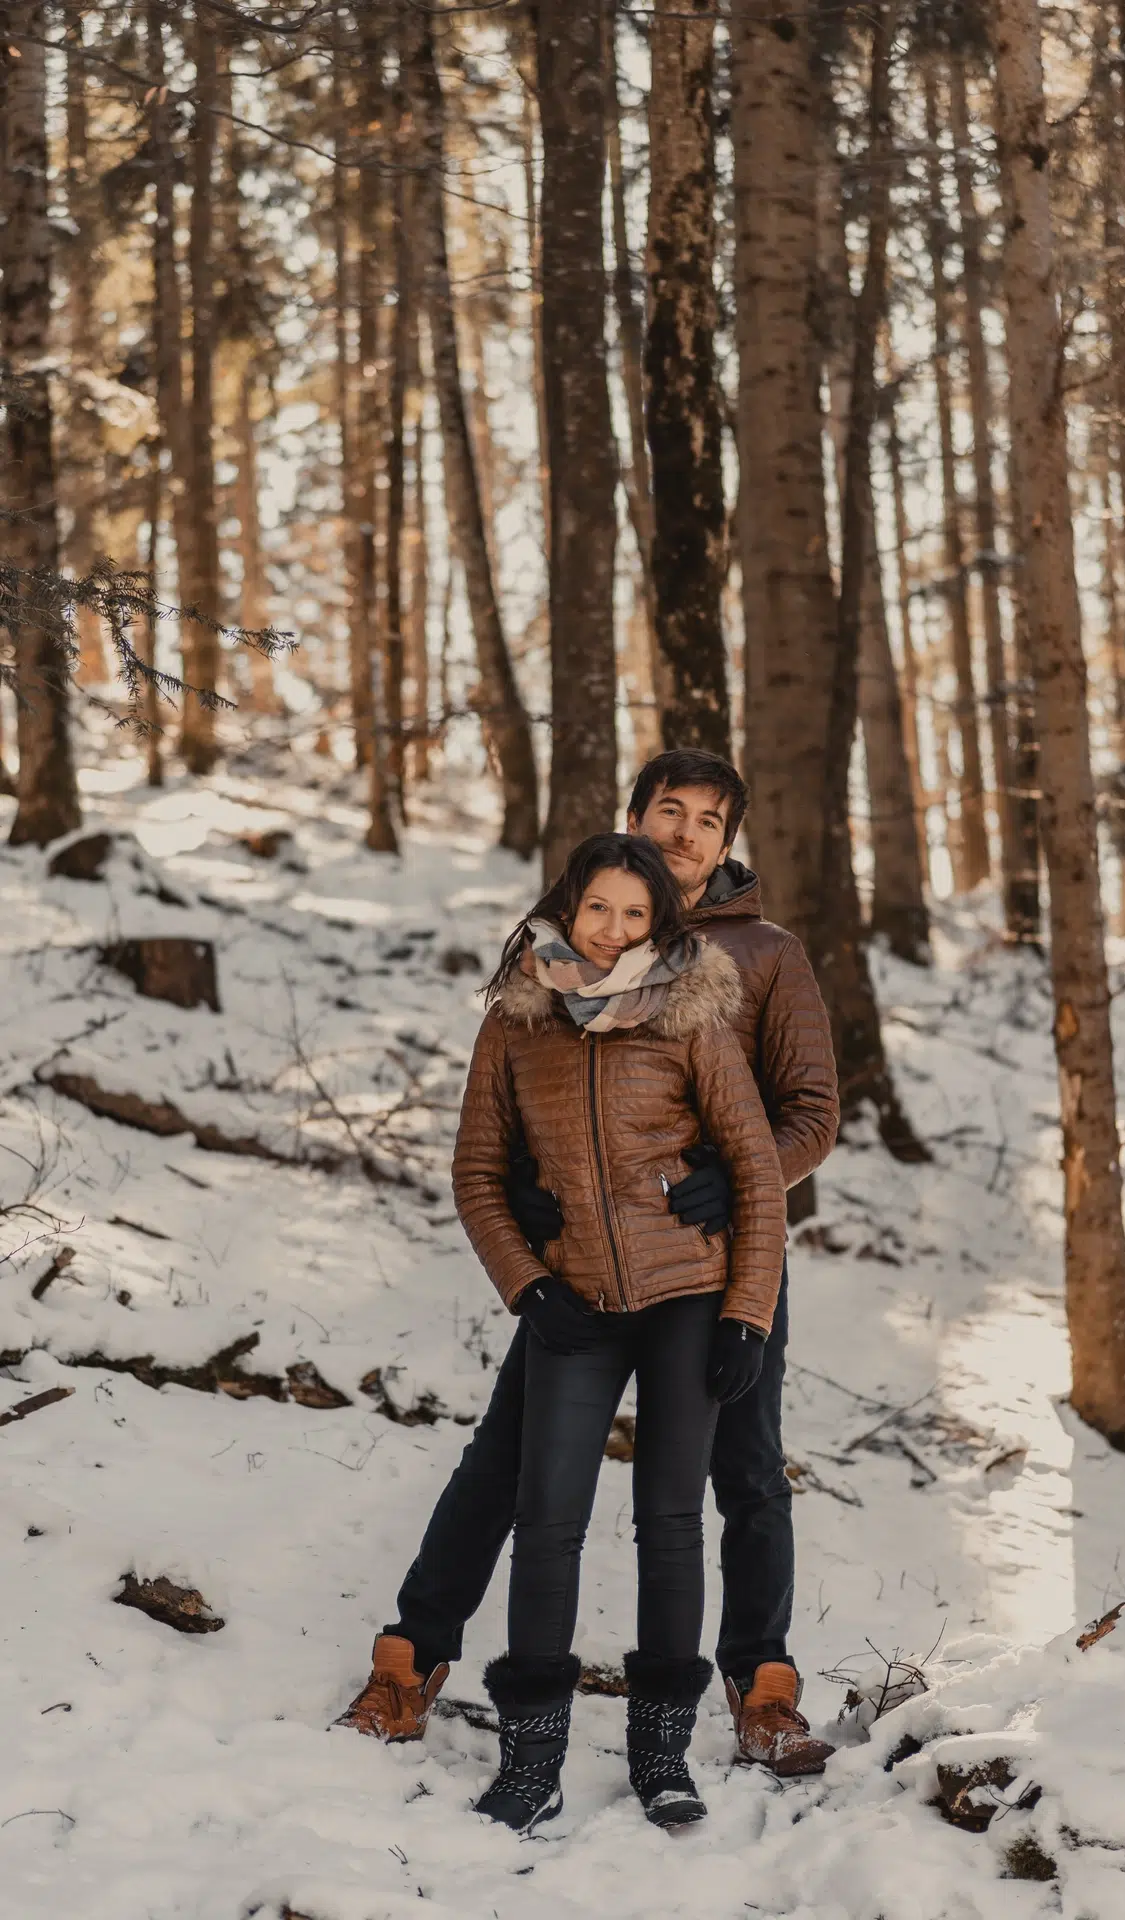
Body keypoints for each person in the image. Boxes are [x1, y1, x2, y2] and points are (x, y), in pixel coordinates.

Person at [337, 750, 840, 1777]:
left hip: (721, 1260)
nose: (686, 832)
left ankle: (764, 1688)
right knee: (503, 1464)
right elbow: (524, 1091)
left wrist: (739, 1183)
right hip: (585, 1263)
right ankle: (411, 1658)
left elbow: (810, 1112)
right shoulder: (570, 931)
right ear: (633, 816)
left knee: (743, 1469)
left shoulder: (767, 954)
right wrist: (528, 1190)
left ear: (728, 841)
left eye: (709, 819)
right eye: (670, 810)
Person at [450, 831, 786, 1831]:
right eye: (598, 908)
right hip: (575, 1306)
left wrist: (747, 1316)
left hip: (688, 1298)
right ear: (567, 906)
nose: (613, 930)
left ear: (659, 924)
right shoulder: (516, 1023)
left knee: (671, 1523)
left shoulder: (690, 1015)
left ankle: (659, 1756)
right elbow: (476, 1174)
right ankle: (530, 1757)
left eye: (635, 915)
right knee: (546, 1520)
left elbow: (755, 1171)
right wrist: (524, 1284)